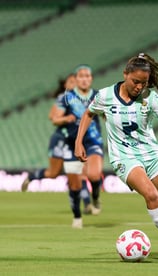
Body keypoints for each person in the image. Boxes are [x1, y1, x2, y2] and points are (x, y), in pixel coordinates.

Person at [74, 53, 158, 260]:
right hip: (124, 157)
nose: (139, 87)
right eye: (135, 81)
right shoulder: (105, 96)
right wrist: (78, 142)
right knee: (151, 194)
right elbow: (89, 113)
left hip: (151, 154)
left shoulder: (150, 98)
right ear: (125, 75)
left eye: (143, 83)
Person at [21, 74, 94, 214]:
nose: (75, 84)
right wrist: (66, 118)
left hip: (76, 140)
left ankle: (87, 205)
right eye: (71, 82)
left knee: (81, 172)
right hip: (61, 140)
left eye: (76, 81)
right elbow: (53, 118)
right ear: (66, 85)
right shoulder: (65, 100)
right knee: (53, 173)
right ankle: (32, 176)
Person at [55, 65, 104, 228]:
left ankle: (96, 197)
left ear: (91, 79)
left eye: (87, 76)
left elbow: (106, 115)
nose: (84, 79)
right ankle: (77, 216)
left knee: (94, 175)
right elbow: (55, 118)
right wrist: (64, 119)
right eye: (81, 76)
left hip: (93, 141)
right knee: (75, 184)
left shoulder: (99, 96)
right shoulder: (66, 97)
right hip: (71, 143)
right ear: (76, 79)